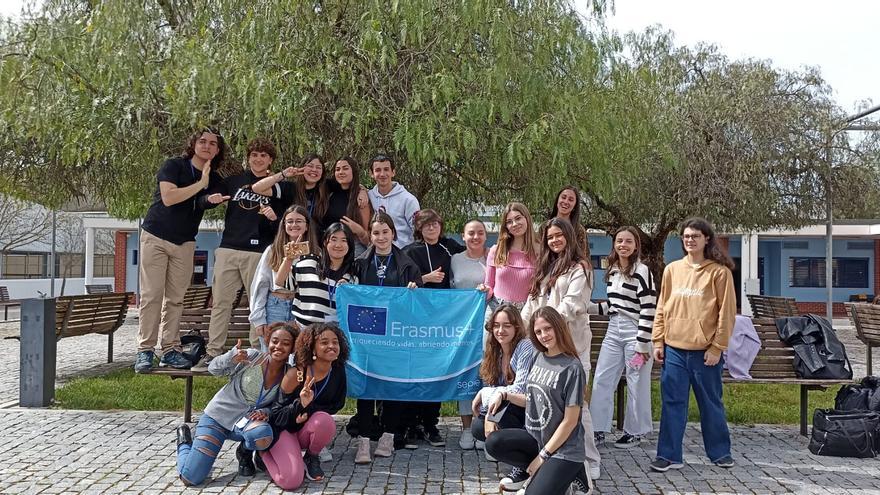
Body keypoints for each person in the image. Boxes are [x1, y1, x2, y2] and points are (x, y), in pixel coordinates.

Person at [135, 128, 227, 373]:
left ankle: (170, 349)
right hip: (156, 236)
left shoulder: (213, 178)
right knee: (152, 295)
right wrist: (201, 185)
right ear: (194, 144)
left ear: (218, 150)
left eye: (212, 144)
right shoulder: (174, 165)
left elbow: (203, 202)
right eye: (202, 141)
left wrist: (209, 195)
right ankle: (145, 351)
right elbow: (169, 197)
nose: (207, 146)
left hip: (185, 242)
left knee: (175, 299)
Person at [650, 217, 737, 472]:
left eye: (695, 236)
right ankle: (669, 455)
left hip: (705, 353)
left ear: (706, 239)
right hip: (674, 350)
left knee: (711, 405)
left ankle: (720, 453)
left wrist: (717, 347)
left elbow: (726, 313)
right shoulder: (672, 270)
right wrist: (658, 339)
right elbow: (662, 307)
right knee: (672, 404)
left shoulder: (719, 272)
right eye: (686, 236)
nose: (690, 240)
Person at [521, 217, 601, 480]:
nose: (554, 241)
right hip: (544, 348)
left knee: (579, 406)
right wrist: (522, 328)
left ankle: (588, 461)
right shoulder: (545, 267)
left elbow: (572, 305)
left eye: (559, 236)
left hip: (571, 346)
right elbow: (532, 303)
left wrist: (545, 323)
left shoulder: (581, 268)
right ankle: (551, 456)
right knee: (549, 403)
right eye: (550, 237)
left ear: (569, 237)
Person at [194, 138, 283, 371]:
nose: (258, 159)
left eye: (264, 155)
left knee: (257, 304)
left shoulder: (278, 187)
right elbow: (206, 200)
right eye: (254, 155)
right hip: (229, 248)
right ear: (249, 157)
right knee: (221, 303)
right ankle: (213, 352)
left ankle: (257, 353)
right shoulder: (234, 182)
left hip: (259, 252)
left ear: (270, 160)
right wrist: (208, 199)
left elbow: (283, 221)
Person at [485, 306, 591, 494]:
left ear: (559, 327)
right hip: (538, 439)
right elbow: (531, 399)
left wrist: (542, 457)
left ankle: (573, 471)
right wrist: (504, 395)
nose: (544, 335)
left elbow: (570, 421)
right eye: (538, 332)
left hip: (565, 449)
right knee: (494, 443)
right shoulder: (538, 357)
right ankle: (563, 476)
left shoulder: (572, 368)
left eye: (548, 328)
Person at [175, 323, 296, 486]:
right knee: (190, 478)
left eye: (286, 343)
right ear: (268, 341)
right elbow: (213, 368)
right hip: (218, 418)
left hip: (246, 423)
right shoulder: (252, 357)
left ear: (292, 348)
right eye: (275, 341)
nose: (279, 346)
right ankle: (184, 442)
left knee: (263, 435)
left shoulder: (289, 374)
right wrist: (231, 358)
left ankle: (244, 452)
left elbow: (279, 405)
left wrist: (266, 412)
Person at [348, 211, 422, 464]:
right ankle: (364, 442)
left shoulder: (408, 265)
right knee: (366, 388)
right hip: (368, 335)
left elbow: (419, 305)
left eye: (385, 232)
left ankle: (388, 437)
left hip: (396, 336)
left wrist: (414, 290)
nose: (381, 237)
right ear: (370, 235)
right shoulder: (359, 262)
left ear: (393, 233)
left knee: (392, 386)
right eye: (376, 232)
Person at [401, 208, 464, 448]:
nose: (431, 228)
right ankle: (409, 424)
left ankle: (430, 423)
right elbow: (401, 282)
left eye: (435, 224)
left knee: (436, 374)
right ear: (419, 228)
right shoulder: (409, 251)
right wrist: (424, 279)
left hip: (442, 323)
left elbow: (473, 255)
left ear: (440, 225)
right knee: (414, 373)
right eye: (426, 225)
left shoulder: (450, 247)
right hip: (416, 324)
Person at [589, 226, 657, 448]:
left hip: (636, 334)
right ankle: (598, 429)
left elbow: (648, 307)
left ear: (636, 245)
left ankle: (635, 431)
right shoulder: (613, 270)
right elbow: (614, 306)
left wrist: (642, 343)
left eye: (628, 241)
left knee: (636, 379)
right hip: (614, 330)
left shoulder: (642, 270)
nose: (623, 245)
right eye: (619, 241)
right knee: (602, 377)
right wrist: (588, 307)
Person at [261, 323, 350, 490]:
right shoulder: (296, 374)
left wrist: (308, 411)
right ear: (312, 348)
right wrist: (299, 404)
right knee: (291, 481)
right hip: (284, 429)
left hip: (305, 427)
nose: (331, 346)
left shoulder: (337, 370)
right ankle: (263, 453)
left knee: (324, 420)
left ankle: (311, 457)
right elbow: (276, 415)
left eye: (335, 342)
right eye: (324, 342)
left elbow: (337, 404)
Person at [470, 304, 535, 482]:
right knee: (477, 427)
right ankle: (525, 464)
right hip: (511, 411)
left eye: (506, 325)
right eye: (496, 325)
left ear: (516, 327)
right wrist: (487, 393)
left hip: (531, 413)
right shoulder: (495, 350)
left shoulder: (525, 346)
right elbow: (491, 392)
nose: (500, 330)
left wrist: (487, 395)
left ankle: (525, 465)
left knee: (492, 428)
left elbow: (519, 390)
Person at [249, 205, 319, 346]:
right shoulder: (272, 250)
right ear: (284, 225)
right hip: (275, 305)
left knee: (299, 353)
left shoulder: (316, 252)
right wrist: (258, 319)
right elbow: (260, 285)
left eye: (299, 221)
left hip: (301, 308)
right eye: (290, 221)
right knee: (272, 354)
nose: (294, 224)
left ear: (307, 225)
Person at [450, 219, 490, 449]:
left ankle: (484, 426)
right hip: (463, 327)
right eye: (471, 233)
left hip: (490, 326)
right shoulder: (455, 259)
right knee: (466, 376)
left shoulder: (494, 257)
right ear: (463, 236)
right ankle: (466, 428)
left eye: (480, 233)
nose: (476, 237)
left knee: (487, 376)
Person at [291, 223, 359, 327]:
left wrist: (348, 292)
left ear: (350, 245)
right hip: (303, 330)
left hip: (333, 335)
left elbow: (354, 311)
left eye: (344, 240)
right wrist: (288, 259)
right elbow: (281, 283)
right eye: (333, 239)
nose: (338, 245)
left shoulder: (353, 277)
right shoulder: (308, 263)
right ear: (324, 242)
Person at [478, 203, 538, 311]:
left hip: (526, 312)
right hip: (497, 309)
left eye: (518, 218)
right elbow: (490, 286)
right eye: (509, 222)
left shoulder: (540, 252)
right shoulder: (496, 251)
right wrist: (484, 290)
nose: (514, 224)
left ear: (527, 219)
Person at [251, 153, 331, 228]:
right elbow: (256, 188)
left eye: (318, 167)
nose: (314, 170)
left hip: (315, 240)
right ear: (301, 168)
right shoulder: (289, 188)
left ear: (323, 172)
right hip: (290, 238)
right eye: (310, 166)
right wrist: (283, 174)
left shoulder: (327, 188)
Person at [367, 154, 421, 247]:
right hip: (376, 255)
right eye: (378, 170)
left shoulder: (408, 200)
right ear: (371, 174)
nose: (383, 174)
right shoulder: (368, 197)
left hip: (404, 254)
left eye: (386, 169)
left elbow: (418, 231)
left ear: (393, 172)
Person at [325, 156, 373, 256]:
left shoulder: (360, 198)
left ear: (353, 171)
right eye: (337, 169)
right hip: (331, 247)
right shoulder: (330, 193)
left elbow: (368, 238)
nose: (341, 172)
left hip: (354, 248)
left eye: (345, 168)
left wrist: (359, 230)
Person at [548, 185, 588, 254]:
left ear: (575, 206)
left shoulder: (579, 230)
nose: (566, 202)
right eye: (563, 197)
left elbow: (584, 256)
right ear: (557, 200)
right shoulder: (545, 226)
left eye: (571, 200)